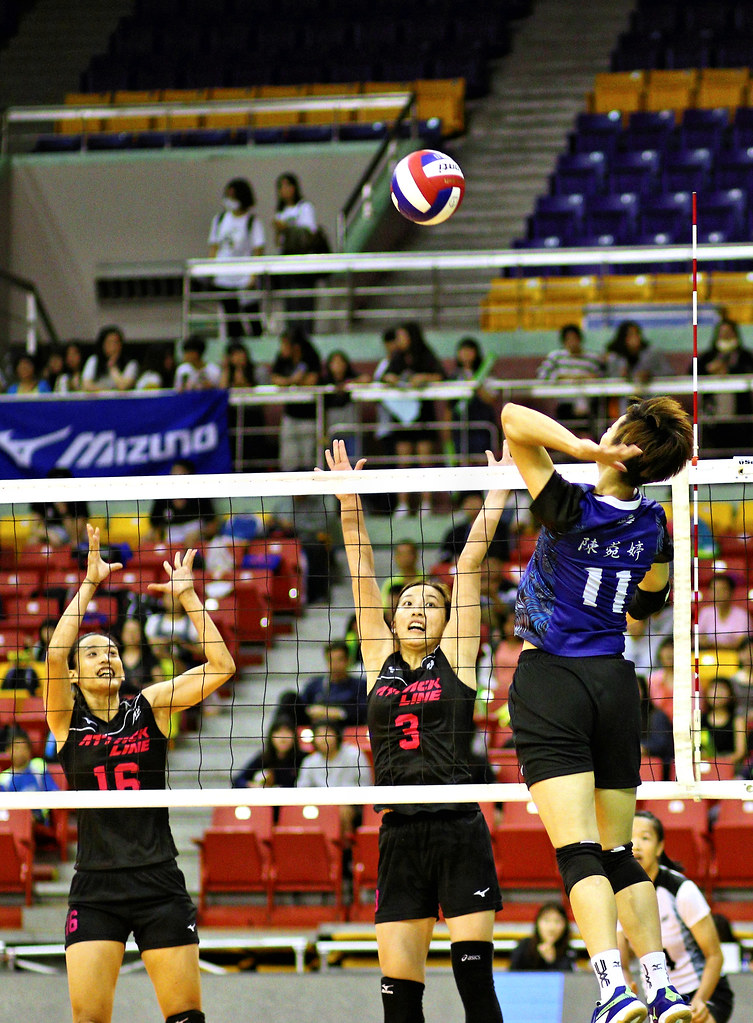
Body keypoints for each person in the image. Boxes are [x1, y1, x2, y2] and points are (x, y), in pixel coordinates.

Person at [500, 396, 694, 1023]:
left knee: (578, 849)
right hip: (615, 683)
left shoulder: (568, 505)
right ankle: (660, 987)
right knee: (617, 852)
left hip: (552, 681)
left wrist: (584, 451)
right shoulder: (655, 523)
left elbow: (511, 417)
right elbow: (648, 603)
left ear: (621, 443)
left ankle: (612, 989)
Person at [324, 436, 508, 1023]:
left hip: (458, 828)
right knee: (400, 1000)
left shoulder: (455, 654)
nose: (418, 609)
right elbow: (360, 572)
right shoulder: (379, 656)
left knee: (475, 987)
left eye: (431, 603)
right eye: (408, 603)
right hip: (400, 835)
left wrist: (497, 493)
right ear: (393, 615)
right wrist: (350, 505)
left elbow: (470, 565)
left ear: (447, 618)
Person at [43, 524, 235, 1023]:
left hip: (158, 879)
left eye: (111, 651)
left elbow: (221, 666)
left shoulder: (148, 705)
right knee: (88, 1018)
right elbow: (53, 654)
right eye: (92, 653)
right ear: (74, 674)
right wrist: (87, 586)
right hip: (96, 883)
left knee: (186, 1016)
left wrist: (190, 598)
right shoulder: (66, 721)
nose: (105, 657)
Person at [618, 811, 734, 1023]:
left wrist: (699, 1001)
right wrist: (626, 986)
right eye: (630, 837)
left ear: (660, 847)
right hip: (658, 999)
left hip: (702, 992)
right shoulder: (618, 894)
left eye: (645, 838)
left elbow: (715, 956)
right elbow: (622, 964)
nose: (636, 845)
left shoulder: (681, 890)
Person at [380, 321, 446, 517]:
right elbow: (385, 376)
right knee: (403, 462)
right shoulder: (397, 356)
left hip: (423, 415)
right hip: (402, 417)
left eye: (402, 336)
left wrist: (423, 378)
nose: (399, 340)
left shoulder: (426, 354)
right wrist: (391, 378)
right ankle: (403, 504)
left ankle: (426, 503)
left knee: (425, 461)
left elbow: (441, 375)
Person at [208, 176, 265, 339]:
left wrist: (253, 276)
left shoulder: (252, 222)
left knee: (252, 317)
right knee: (231, 319)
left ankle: (257, 344)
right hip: (224, 278)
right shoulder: (219, 220)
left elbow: (258, 250)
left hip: (244, 278)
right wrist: (211, 271)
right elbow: (213, 246)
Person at [297, 717, 371, 833]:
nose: (324, 739)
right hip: (320, 806)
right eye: (319, 735)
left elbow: (365, 785)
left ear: (336, 735)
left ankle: (345, 849)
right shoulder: (309, 761)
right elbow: (302, 789)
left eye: (327, 734)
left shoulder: (354, 754)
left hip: (352, 805)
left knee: (342, 811)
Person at [696, 317, 753, 452]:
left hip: (740, 418)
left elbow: (749, 371)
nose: (726, 336)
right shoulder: (707, 357)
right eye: (723, 333)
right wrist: (709, 370)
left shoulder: (745, 356)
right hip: (713, 418)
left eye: (729, 333)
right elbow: (691, 375)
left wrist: (730, 370)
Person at [278, 640, 367, 728]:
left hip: (345, 727)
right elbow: (304, 708)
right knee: (289, 698)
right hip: (316, 728)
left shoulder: (360, 686)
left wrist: (331, 712)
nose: (335, 665)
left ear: (348, 661)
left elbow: (363, 712)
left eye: (339, 660)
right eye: (331, 660)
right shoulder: (315, 685)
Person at [269, 326, 322, 471]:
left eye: (285, 344)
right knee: (289, 459)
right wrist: (292, 380)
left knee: (308, 460)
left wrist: (292, 382)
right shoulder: (282, 358)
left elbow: (312, 381)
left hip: (309, 418)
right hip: (290, 416)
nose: (282, 348)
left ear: (295, 346)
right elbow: (275, 378)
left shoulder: (311, 355)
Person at [273, 171, 320, 332]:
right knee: (290, 301)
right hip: (287, 261)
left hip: (303, 261)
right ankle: (292, 333)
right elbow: (279, 242)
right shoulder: (280, 212)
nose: (284, 190)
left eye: (287, 185)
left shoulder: (305, 208)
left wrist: (286, 228)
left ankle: (306, 332)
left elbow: (309, 233)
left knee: (305, 300)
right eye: (281, 187)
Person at [536, 323, 603, 434]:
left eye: (574, 339)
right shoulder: (556, 357)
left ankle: (586, 438)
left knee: (591, 414)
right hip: (564, 403)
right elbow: (542, 375)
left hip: (587, 402)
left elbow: (601, 378)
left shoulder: (592, 358)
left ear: (580, 339)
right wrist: (560, 376)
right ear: (564, 342)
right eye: (568, 339)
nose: (572, 342)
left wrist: (587, 378)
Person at [219, 340, 269, 471]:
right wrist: (226, 369)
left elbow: (257, 393)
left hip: (253, 416)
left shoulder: (257, 370)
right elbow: (222, 390)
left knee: (254, 451)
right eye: (234, 355)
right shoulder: (227, 373)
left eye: (240, 353)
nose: (238, 357)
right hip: (233, 417)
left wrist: (241, 373)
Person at [148, 459, 220, 547]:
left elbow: (212, 526)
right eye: (173, 475)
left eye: (179, 475)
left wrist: (200, 533)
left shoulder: (200, 495)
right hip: (171, 542)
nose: (175, 479)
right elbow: (155, 527)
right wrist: (157, 539)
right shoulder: (162, 498)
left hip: (196, 541)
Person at [604, 321, 671, 414]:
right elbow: (607, 379)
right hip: (623, 402)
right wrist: (621, 376)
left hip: (649, 400)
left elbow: (668, 374)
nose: (635, 338)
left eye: (637, 334)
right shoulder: (614, 357)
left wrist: (650, 375)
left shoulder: (652, 354)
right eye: (630, 335)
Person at [451, 336, 498, 461]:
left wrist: (476, 384)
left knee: (483, 457)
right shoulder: (454, 376)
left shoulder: (485, 373)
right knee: (462, 459)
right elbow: (449, 404)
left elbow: (491, 399)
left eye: (469, 351)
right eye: (463, 351)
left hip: (481, 422)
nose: (466, 354)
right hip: (460, 424)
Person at [0, 726, 59, 823]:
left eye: (24, 747)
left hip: (38, 818)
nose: (20, 752)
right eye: (17, 748)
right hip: (13, 819)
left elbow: (53, 792)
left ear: (29, 750)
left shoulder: (38, 765)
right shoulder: (3, 778)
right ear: (8, 751)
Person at [440, 491, 511, 564]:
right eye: (467, 502)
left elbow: (506, 553)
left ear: (483, 502)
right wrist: (454, 559)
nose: (472, 504)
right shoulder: (456, 532)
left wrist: (495, 562)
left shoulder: (499, 527)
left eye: (475, 500)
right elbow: (444, 554)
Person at [322, 349, 368, 460]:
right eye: (335, 363)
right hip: (333, 430)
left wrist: (349, 384)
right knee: (335, 461)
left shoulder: (351, 376)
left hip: (351, 429)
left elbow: (366, 378)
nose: (338, 366)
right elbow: (322, 410)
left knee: (353, 459)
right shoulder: (325, 382)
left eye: (341, 362)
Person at [232, 715, 300, 789]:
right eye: (279, 732)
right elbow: (238, 780)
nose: (283, 738)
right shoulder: (264, 758)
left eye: (287, 732)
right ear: (271, 736)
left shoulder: (302, 759)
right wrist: (252, 785)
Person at [509, 901, 577, 972]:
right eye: (546, 920)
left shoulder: (569, 952)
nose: (551, 928)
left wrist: (552, 961)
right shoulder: (524, 946)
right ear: (537, 923)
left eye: (557, 921)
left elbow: (569, 979)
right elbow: (512, 976)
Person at [699, 675, 748, 771]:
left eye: (722, 689)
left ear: (730, 695)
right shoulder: (698, 719)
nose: (717, 693)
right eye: (713, 689)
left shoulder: (737, 721)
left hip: (731, 769)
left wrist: (722, 764)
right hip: (704, 768)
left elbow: (740, 752)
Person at [698, 572, 752, 650]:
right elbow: (699, 639)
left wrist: (712, 645)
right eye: (715, 590)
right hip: (708, 656)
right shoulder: (705, 613)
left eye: (723, 589)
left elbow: (742, 643)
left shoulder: (742, 615)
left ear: (731, 592)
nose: (718, 594)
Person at [82, 325, 138, 392]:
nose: (113, 347)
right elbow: (86, 385)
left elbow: (123, 386)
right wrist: (107, 391)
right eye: (109, 343)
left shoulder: (131, 364)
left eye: (116, 343)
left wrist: (112, 368)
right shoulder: (94, 360)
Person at [638, 676, 674, 780]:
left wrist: (642, 747)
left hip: (662, 772)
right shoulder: (621, 716)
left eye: (637, 688)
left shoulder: (656, 715)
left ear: (644, 691)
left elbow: (661, 743)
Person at [118, 617, 158, 697]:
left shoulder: (149, 657)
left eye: (135, 631)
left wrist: (140, 688)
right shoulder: (115, 657)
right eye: (128, 632)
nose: (131, 635)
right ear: (122, 634)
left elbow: (159, 682)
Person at [380, 539, 421, 611]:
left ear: (416, 556)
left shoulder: (427, 579)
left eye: (408, 553)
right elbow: (385, 609)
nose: (405, 558)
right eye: (401, 554)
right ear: (396, 557)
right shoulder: (390, 583)